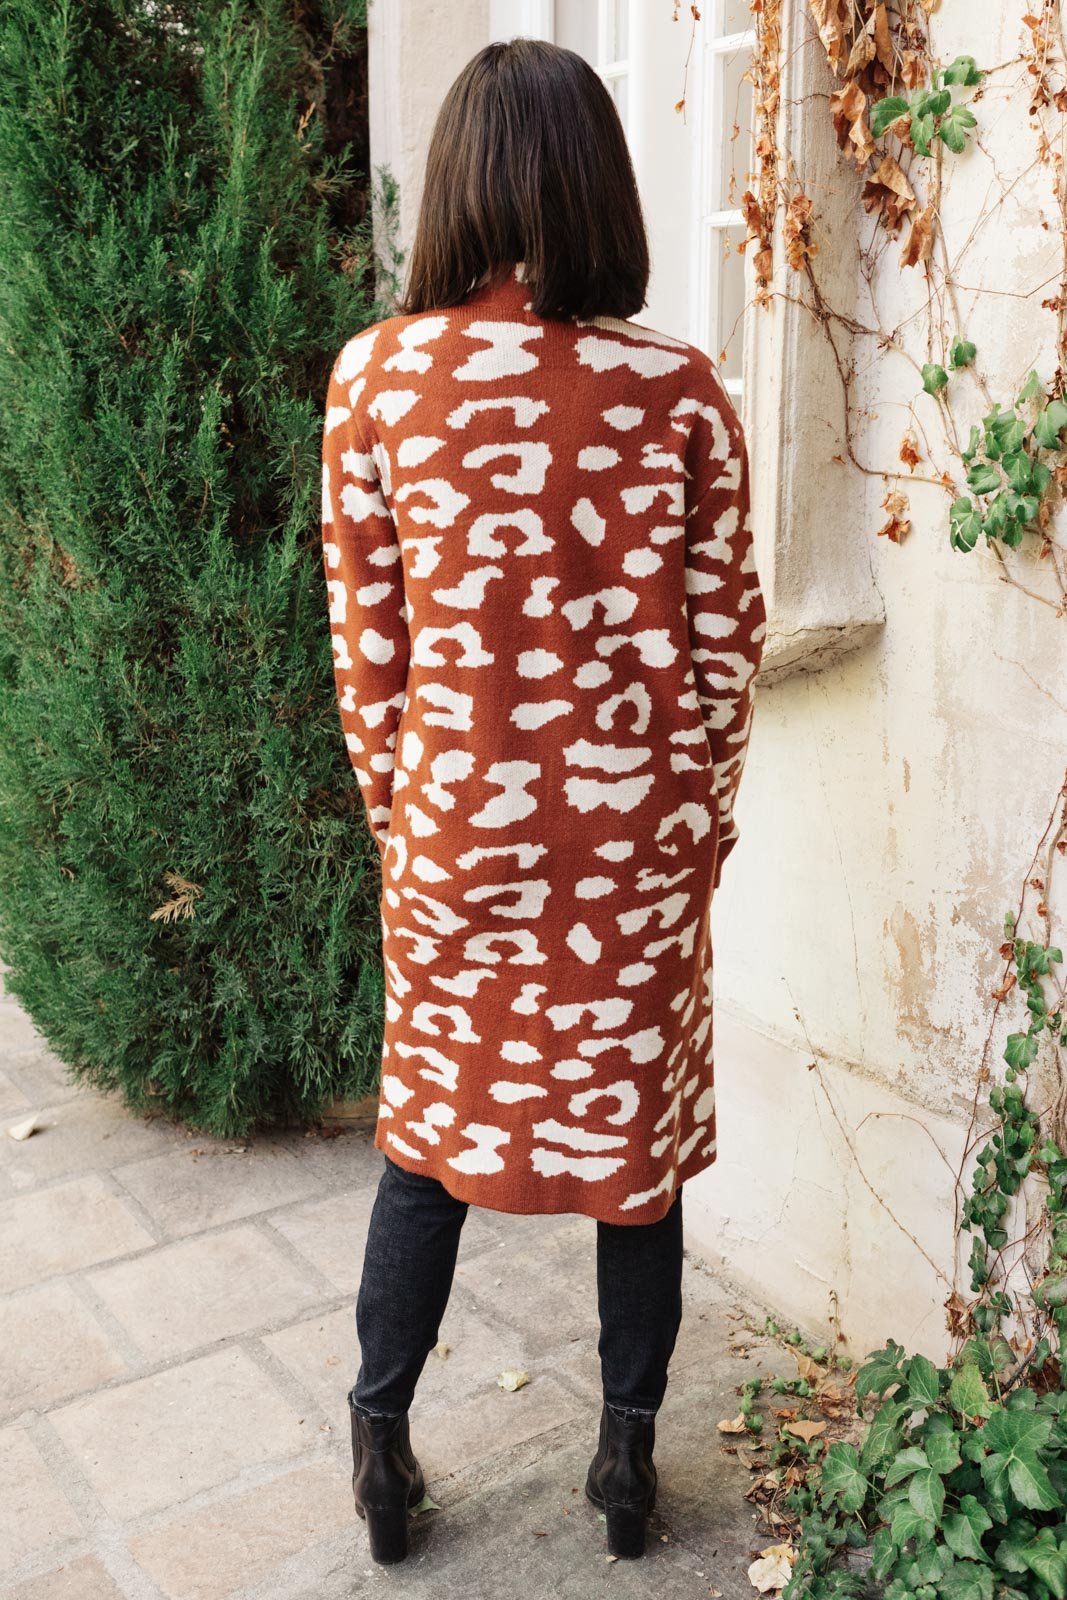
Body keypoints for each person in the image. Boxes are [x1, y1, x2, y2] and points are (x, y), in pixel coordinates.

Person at [320, 36, 767, 1566]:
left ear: (454, 185)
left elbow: (369, 657)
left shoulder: (378, 381)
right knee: (637, 1163)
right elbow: (727, 649)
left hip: (457, 840)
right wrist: (697, 831)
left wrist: (407, 827)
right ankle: (626, 1466)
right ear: (598, 189)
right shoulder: (679, 390)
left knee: (427, 1144)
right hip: (635, 852)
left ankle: (380, 1447)